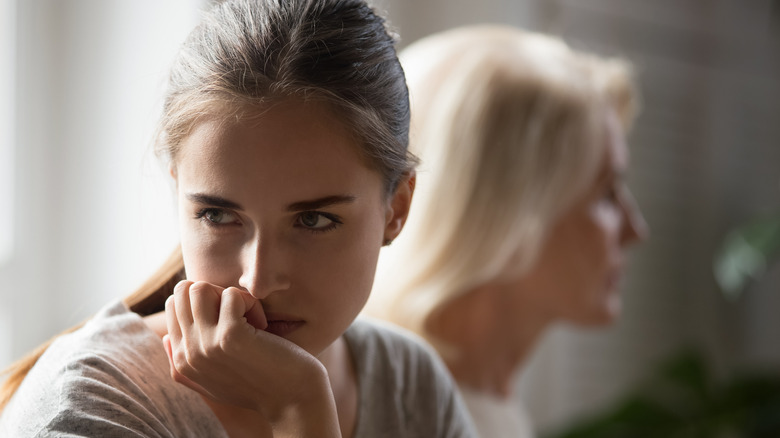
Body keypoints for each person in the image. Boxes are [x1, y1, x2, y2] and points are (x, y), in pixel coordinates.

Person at [0, 1, 478, 437]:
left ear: (396, 208)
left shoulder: (408, 385)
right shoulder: (90, 410)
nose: (259, 280)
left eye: (313, 220)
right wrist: (299, 406)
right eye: (217, 214)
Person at [367, 25, 649, 438]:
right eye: (606, 194)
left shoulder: (482, 403)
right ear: (506, 214)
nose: (635, 230)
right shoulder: (396, 413)